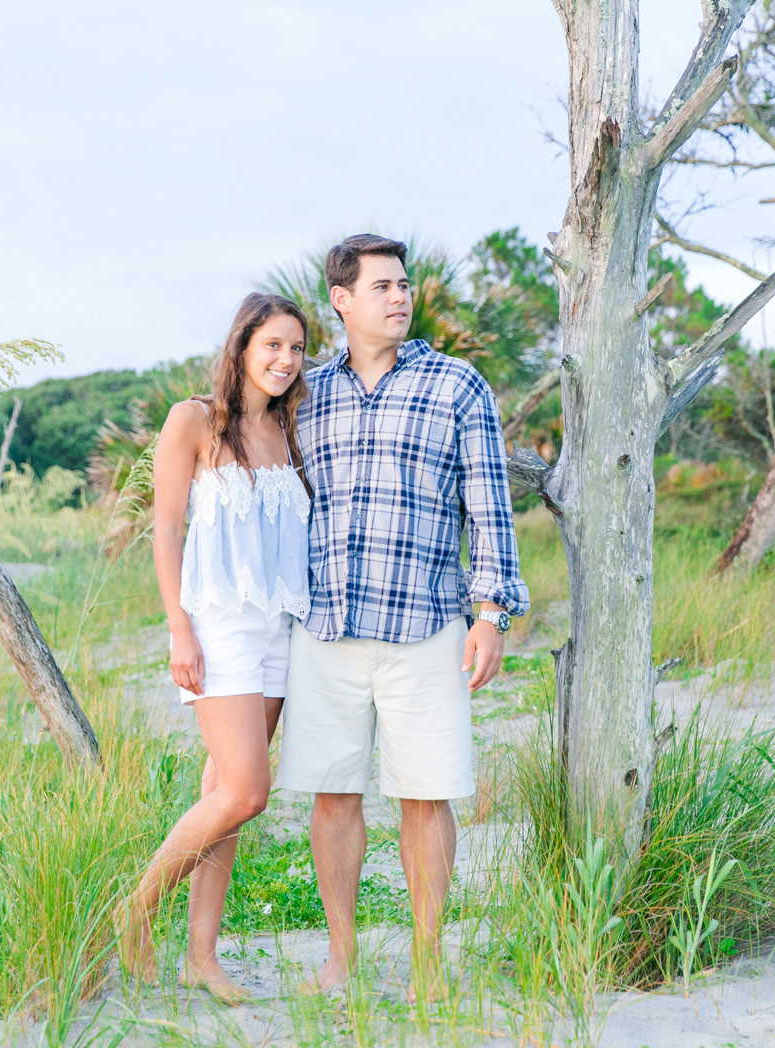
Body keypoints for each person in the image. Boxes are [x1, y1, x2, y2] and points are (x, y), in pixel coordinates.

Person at [275, 234, 530, 1000]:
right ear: (342, 301)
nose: (399, 296)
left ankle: (427, 960)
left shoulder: (458, 386)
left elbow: (490, 508)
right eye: (381, 285)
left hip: (426, 625)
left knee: (427, 793)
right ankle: (342, 956)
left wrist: (492, 613)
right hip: (327, 627)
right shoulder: (306, 394)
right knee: (334, 795)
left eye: (404, 284)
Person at [118, 293, 311, 1001]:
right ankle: (134, 914)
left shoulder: (293, 433)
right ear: (242, 347)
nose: (285, 360)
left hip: (280, 626)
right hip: (219, 623)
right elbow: (166, 530)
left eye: (296, 348)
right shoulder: (194, 421)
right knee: (246, 791)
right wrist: (179, 627)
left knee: (222, 795)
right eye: (272, 346)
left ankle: (202, 956)